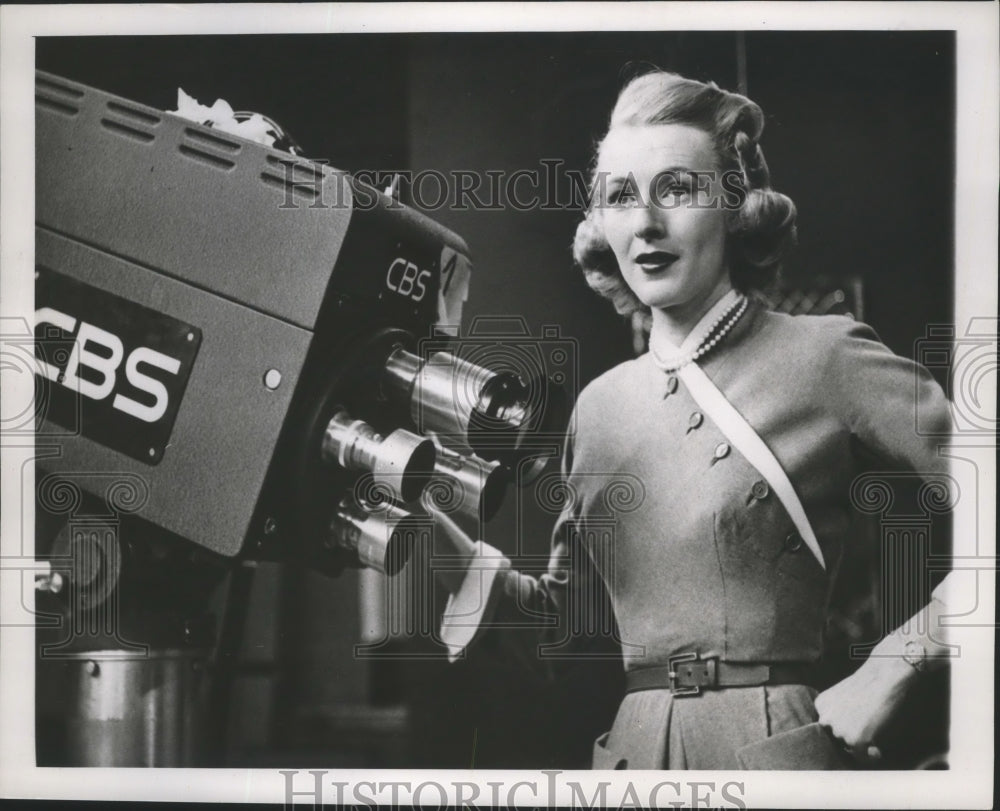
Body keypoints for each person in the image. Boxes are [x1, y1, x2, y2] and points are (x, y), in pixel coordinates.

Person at [424, 70, 955, 770]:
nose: (646, 223)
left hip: (773, 754)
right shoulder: (600, 407)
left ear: (734, 205)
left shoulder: (826, 356)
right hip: (635, 760)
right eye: (620, 196)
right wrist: (426, 526)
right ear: (601, 225)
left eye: (676, 188)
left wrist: (900, 659)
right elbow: (563, 629)